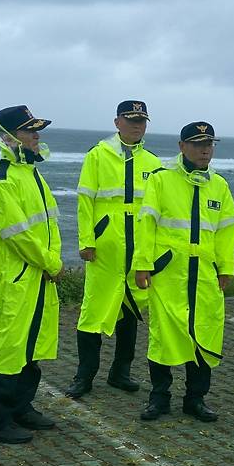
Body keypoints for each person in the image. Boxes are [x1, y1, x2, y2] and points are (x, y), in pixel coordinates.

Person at [134, 121, 234, 423]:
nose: (205, 149)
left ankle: (196, 398)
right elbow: (147, 224)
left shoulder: (219, 185)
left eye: (209, 144)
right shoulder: (161, 180)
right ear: (182, 147)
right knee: (163, 336)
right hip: (169, 273)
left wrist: (226, 267)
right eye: (197, 143)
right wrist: (143, 264)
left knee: (204, 334)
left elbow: (227, 230)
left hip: (205, 275)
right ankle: (159, 397)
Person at [65, 101, 162, 399]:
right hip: (107, 247)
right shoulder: (98, 156)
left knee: (131, 311)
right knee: (93, 311)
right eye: (131, 119)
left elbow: (160, 209)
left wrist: (154, 250)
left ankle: (120, 372)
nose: (137, 125)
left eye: (142, 120)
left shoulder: (153, 162)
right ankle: (84, 375)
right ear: (117, 122)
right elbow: (85, 201)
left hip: (139, 249)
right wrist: (86, 241)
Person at [0, 105, 63, 443]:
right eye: (29, 130)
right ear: (8, 137)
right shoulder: (0, 180)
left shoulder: (31, 174)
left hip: (39, 275)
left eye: (36, 129)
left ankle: (20, 408)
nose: (36, 136)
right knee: (8, 348)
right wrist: (52, 263)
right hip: (16, 277)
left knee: (32, 346)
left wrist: (51, 259)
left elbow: (50, 224)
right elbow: (18, 235)